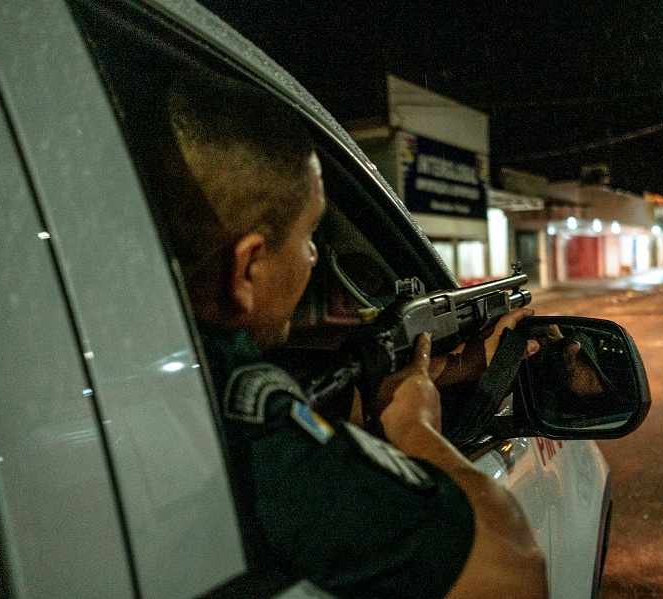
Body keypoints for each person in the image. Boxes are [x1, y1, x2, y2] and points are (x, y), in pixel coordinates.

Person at [154, 71, 547, 599]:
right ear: (247, 268)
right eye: (310, 235)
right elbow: (516, 569)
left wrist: (441, 375)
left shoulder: (160, 369)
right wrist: (414, 426)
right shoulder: (252, 418)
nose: (315, 257)